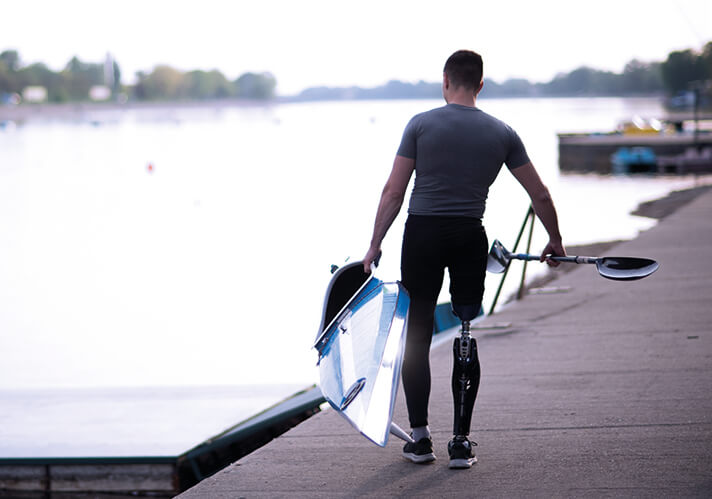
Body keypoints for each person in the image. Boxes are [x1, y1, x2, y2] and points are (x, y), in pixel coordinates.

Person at [362, 50, 565, 469]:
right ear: (481, 85)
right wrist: (555, 240)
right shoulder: (502, 132)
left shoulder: (419, 124)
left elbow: (393, 192)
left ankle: (420, 439)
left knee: (416, 334)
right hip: (469, 234)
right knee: (466, 332)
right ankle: (460, 442)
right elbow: (540, 193)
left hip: (421, 234)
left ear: (445, 81)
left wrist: (374, 244)